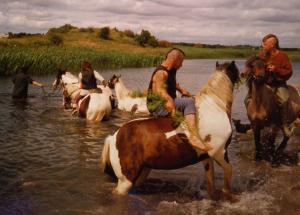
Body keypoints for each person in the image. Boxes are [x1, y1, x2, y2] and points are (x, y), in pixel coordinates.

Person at [147, 48, 212, 152]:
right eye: (181, 62)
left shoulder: (172, 69)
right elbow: (160, 91)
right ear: (175, 59)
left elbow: (172, 83)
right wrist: (170, 102)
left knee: (188, 98)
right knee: (189, 102)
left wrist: (181, 90)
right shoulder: (161, 73)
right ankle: (193, 137)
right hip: (158, 106)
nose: (181, 65)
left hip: (167, 101)